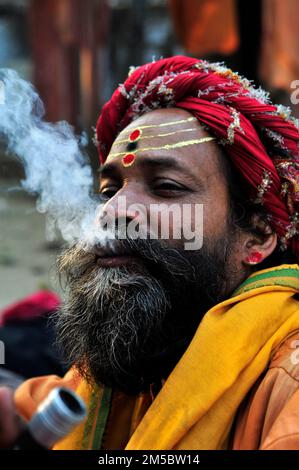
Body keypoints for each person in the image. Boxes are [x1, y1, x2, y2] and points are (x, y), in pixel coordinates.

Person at [1, 56, 299, 450]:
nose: (113, 210)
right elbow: (30, 407)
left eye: (167, 187)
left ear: (257, 236)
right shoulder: (133, 356)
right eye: (109, 192)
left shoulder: (287, 381)